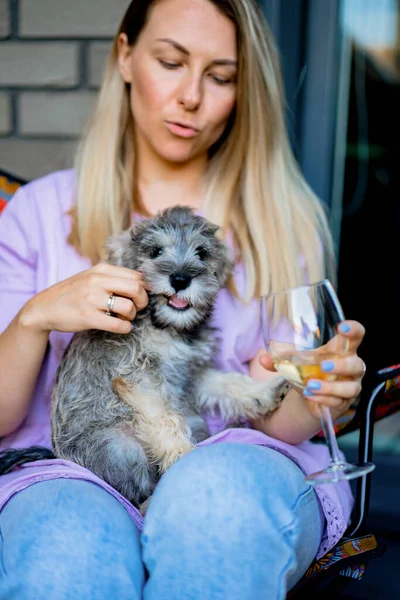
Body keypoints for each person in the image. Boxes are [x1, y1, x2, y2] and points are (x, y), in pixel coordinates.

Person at [0, 0, 366, 598]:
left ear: (245, 90)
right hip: (67, 467)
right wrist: (34, 317)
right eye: (171, 61)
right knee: (65, 549)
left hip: (239, 461)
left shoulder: (282, 223)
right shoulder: (35, 213)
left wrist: (319, 391)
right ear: (124, 55)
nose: (191, 96)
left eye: (220, 76)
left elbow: (279, 414)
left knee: (214, 509)